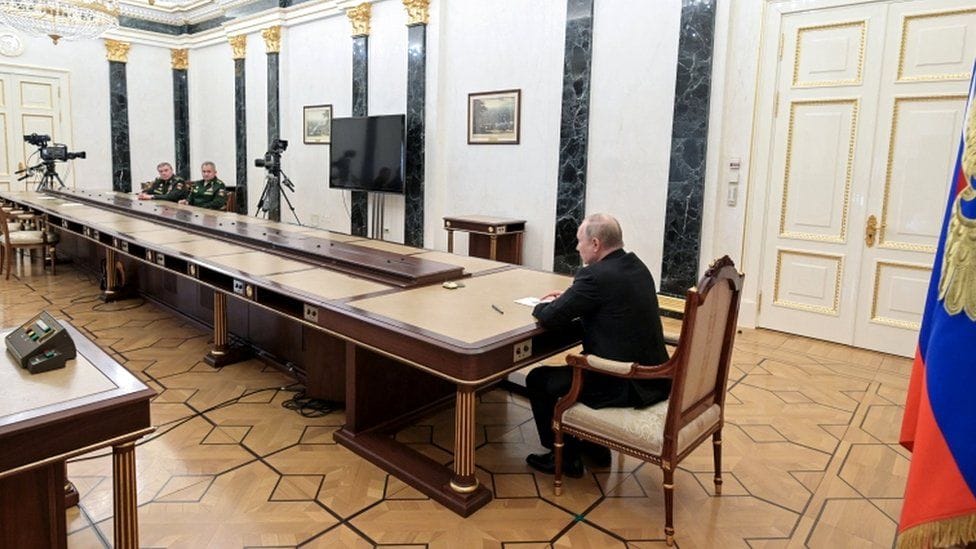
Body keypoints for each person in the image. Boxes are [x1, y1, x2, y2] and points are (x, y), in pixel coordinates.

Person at [525, 213, 671, 477]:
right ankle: (595, 447)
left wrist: (544, 304)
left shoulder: (594, 276)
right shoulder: (636, 266)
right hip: (657, 378)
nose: (576, 247)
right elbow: (610, 302)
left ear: (595, 243)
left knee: (539, 379)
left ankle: (564, 456)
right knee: (571, 369)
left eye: (579, 241)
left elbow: (550, 317)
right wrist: (573, 295)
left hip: (624, 380)